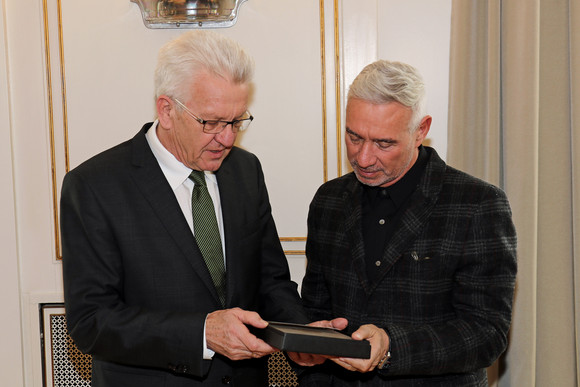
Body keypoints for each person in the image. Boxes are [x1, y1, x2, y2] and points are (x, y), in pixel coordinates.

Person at [61, 30, 330, 387]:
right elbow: (91, 321)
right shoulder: (95, 185)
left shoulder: (245, 171)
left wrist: (300, 335)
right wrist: (200, 333)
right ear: (167, 110)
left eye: (236, 121)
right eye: (212, 122)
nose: (228, 138)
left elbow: (270, 280)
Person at [299, 60, 517, 386]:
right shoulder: (328, 200)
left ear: (421, 131)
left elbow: (487, 333)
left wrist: (391, 347)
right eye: (354, 136)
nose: (363, 158)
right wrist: (309, 342)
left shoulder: (478, 204)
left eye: (384, 143)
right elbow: (315, 309)